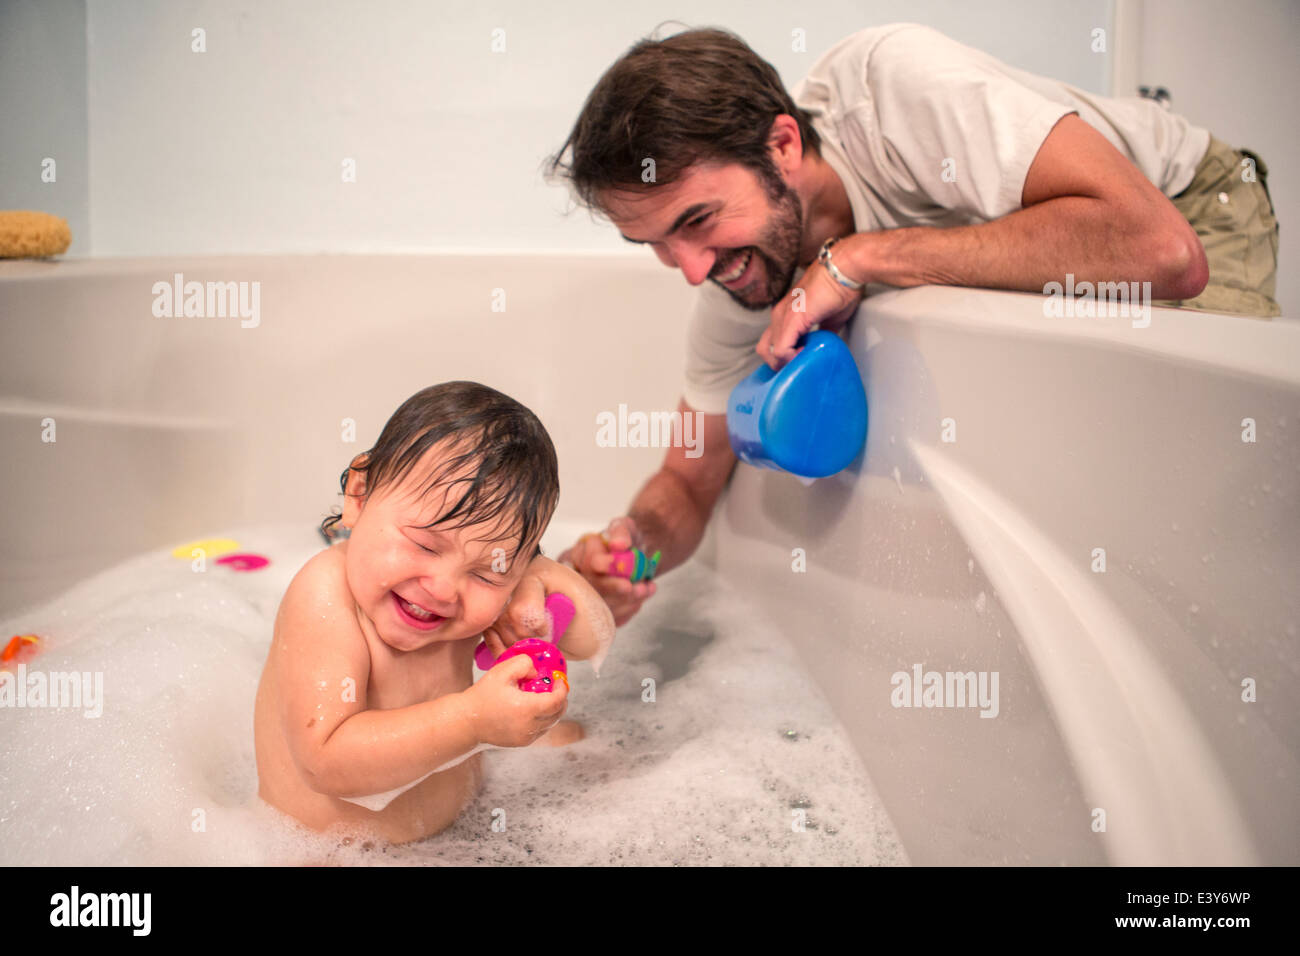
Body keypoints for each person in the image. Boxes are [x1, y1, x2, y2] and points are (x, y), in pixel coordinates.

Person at [546, 23, 1281, 624]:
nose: (694, 270)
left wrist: (860, 258)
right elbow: (688, 479)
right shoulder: (741, 284)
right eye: (656, 246)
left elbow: (1161, 251)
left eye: (698, 221)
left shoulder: (893, 93)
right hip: (1082, 259)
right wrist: (635, 549)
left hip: (1186, 203)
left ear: (783, 146)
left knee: (1209, 505)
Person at [254, 381, 613, 843]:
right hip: (327, 851)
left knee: (592, 747)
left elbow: (594, 641)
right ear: (359, 495)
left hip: (459, 828)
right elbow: (326, 760)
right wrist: (472, 721)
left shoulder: (473, 601)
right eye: (425, 544)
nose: (444, 589)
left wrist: (534, 581)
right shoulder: (325, 594)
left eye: (487, 572)